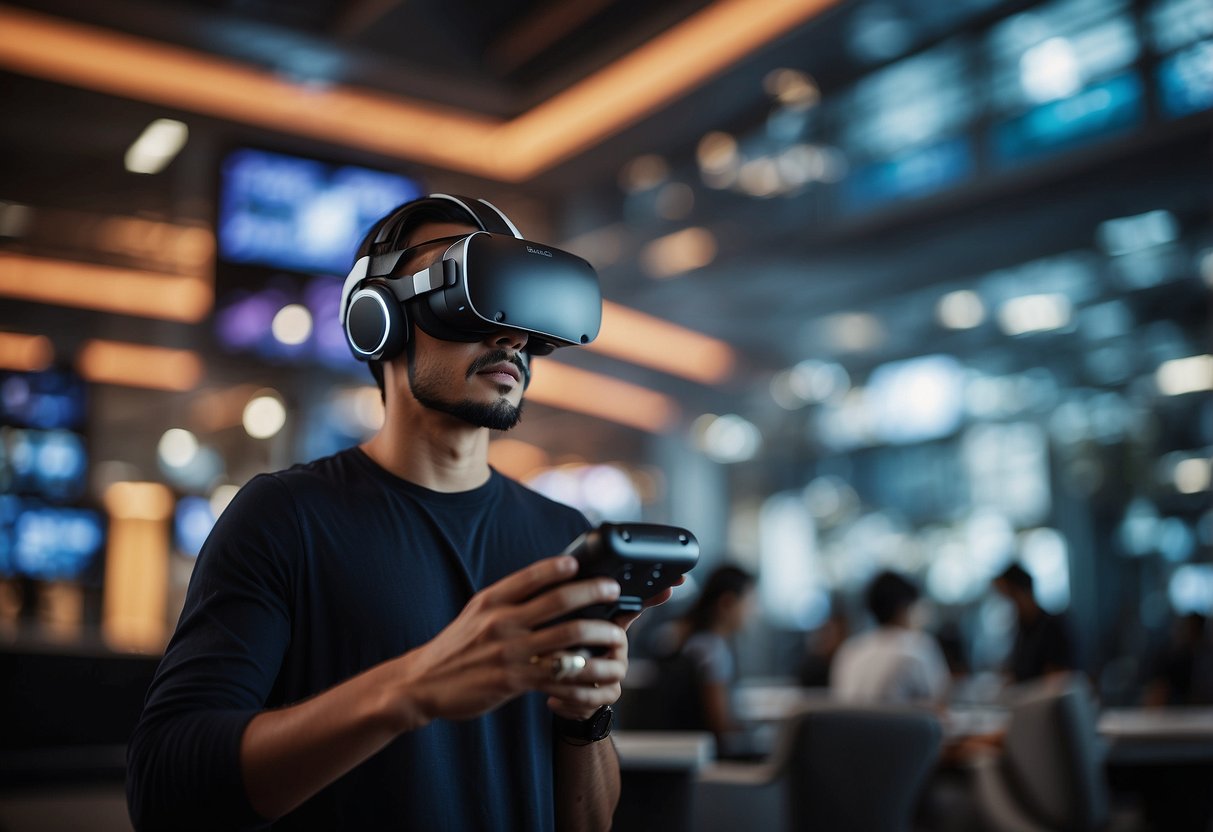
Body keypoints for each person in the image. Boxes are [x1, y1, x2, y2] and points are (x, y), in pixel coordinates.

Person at [126, 195, 675, 831]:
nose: (510, 334)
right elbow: (165, 793)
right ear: (377, 318)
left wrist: (587, 717)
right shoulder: (284, 518)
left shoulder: (562, 539)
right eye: (468, 296)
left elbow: (587, 823)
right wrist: (414, 688)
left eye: (519, 307)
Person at [647, 565, 757, 757]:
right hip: (707, 759)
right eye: (749, 603)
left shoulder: (682, 636)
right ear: (727, 603)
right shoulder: (712, 650)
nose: (752, 612)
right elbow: (719, 724)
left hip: (676, 750)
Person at [830, 570, 950, 706]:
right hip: (901, 727)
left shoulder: (849, 649)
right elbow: (939, 703)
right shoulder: (918, 646)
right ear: (904, 608)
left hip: (848, 727)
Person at [991, 562, 1075, 684]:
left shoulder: (1053, 627)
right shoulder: (1023, 629)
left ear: (1022, 593)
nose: (1008, 605)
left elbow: (1057, 681)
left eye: (1010, 598)